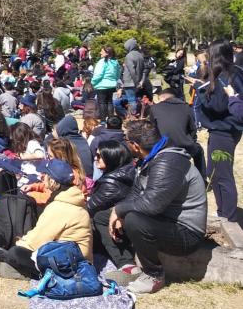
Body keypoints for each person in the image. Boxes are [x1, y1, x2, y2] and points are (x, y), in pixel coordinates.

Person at [109, 120, 207, 294]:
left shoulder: (167, 162)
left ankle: (154, 275)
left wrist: (120, 210)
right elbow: (137, 192)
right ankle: (128, 265)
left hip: (186, 232)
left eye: (126, 141)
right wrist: (116, 210)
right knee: (105, 216)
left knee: (133, 220)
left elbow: (151, 205)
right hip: (164, 219)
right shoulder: (151, 157)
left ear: (134, 145)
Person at [0, 159, 92, 280]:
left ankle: (32, 273)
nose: (42, 176)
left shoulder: (60, 207)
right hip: (77, 257)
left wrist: (18, 244)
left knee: (16, 253)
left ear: (53, 181)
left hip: (72, 265)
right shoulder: (73, 197)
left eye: (45, 175)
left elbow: (38, 239)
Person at [194, 39, 243, 222]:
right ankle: (223, 211)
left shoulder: (225, 75)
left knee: (222, 174)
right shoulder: (235, 72)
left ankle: (229, 216)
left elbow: (219, 105)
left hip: (224, 131)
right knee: (213, 172)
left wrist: (199, 89)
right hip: (224, 130)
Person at [87, 139, 138, 285]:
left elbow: (89, 209)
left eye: (99, 156)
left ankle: (126, 264)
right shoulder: (119, 173)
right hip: (123, 223)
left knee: (98, 217)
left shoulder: (112, 184)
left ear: (111, 158)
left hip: (121, 227)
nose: (95, 159)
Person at [149, 88, 205, 181]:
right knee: (199, 151)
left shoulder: (154, 108)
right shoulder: (186, 107)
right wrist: (190, 140)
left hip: (162, 146)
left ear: (162, 97)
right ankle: (202, 179)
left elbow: (153, 130)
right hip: (184, 146)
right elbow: (192, 129)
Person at [54, 115, 93, 179]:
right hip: (89, 177)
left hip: (77, 178)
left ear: (61, 129)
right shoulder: (82, 140)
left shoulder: (64, 143)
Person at [92, 45, 121, 120]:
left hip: (101, 85)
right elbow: (118, 74)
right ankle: (111, 119)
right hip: (111, 86)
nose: (100, 52)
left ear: (107, 53)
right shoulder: (115, 62)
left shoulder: (102, 62)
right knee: (110, 102)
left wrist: (93, 82)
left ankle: (103, 120)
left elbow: (98, 74)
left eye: (102, 51)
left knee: (102, 103)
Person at [122, 38, 145, 117]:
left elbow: (132, 71)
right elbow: (143, 69)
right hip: (137, 81)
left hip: (130, 81)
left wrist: (136, 82)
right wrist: (140, 81)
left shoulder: (129, 56)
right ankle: (136, 114)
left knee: (131, 100)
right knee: (134, 99)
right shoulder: (140, 55)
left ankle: (133, 116)